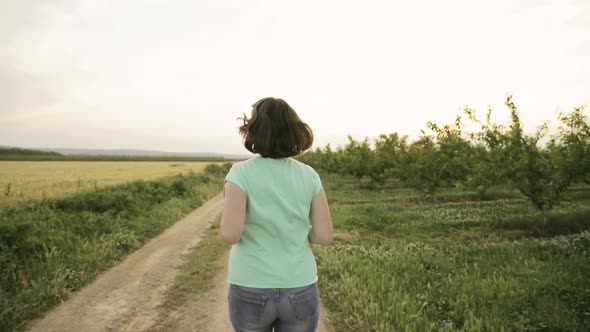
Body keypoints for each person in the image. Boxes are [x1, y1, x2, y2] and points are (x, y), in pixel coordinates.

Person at [220, 97, 334, 332]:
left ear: (253, 131)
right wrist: (297, 233)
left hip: (251, 283)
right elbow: (325, 236)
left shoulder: (240, 174)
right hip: (299, 285)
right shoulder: (309, 175)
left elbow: (230, 235)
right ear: (294, 131)